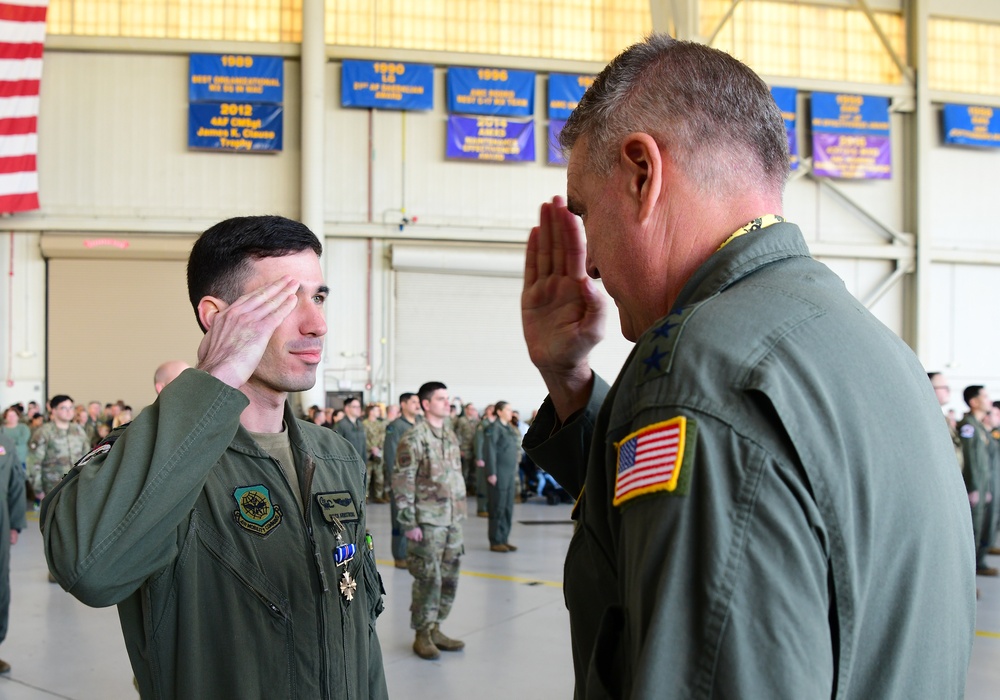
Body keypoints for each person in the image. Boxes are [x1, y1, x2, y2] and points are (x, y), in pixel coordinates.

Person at [521, 34, 975, 698]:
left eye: (589, 212)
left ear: (642, 174)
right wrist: (572, 384)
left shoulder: (695, 369)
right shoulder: (868, 347)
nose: (589, 262)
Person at [41, 215, 387, 699]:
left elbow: (359, 628)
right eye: (287, 298)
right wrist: (217, 374)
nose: (318, 324)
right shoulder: (156, 456)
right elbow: (90, 570)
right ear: (215, 315)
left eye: (320, 296)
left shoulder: (336, 455)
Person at [392, 381, 466, 660]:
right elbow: (402, 482)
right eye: (440, 399)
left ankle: (436, 627)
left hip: (452, 519)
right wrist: (409, 523)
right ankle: (422, 633)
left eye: (448, 398)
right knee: (428, 578)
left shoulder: (449, 435)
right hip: (427, 522)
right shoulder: (414, 438)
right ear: (425, 404)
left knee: (450, 577)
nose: (447, 403)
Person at [959, 385, 996, 577]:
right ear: (974, 402)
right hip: (973, 488)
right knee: (971, 532)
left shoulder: (978, 426)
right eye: (985, 396)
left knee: (979, 528)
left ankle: (973, 572)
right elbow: (969, 459)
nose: (988, 399)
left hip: (981, 487)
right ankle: (966, 577)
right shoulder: (968, 426)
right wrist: (973, 487)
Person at [383, 391, 420, 568]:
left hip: (420, 481)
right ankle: (400, 555)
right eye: (413, 402)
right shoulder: (395, 426)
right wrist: (394, 480)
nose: (417, 405)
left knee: (416, 518)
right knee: (400, 517)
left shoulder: (421, 423)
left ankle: (413, 552)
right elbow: (390, 454)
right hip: (402, 480)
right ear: (403, 404)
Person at [29, 395, 90, 501]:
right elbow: (34, 462)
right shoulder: (44, 432)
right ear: (53, 410)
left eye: (71, 407)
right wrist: (38, 490)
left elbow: (88, 457)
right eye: (63, 408)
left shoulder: (78, 431)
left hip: (77, 485)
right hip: (52, 487)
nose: (69, 411)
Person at [0, 433, 26, 674]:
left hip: (0, 523)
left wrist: (15, 523)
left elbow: (16, 482)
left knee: (0, 587)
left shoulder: (5, 442)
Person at [484, 401, 521, 552]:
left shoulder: (510, 428)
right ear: (499, 412)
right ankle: (495, 540)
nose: (510, 412)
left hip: (510, 473)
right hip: (498, 473)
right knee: (497, 507)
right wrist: (491, 472)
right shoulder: (494, 428)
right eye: (507, 409)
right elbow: (490, 451)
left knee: (507, 507)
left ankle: (504, 538)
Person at [363, 404, 387, 503]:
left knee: (379, 476)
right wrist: (371, 448)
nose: (379, 412)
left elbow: (383, 436)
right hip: (368, 453)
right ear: (371, 412)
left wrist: (378, 447)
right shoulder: (364, 423)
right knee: (366, 477)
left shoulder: (380, 424)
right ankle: (365, 496)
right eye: (377, 410)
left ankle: (378, 496)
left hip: (378, 452)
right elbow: (364, 438)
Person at [335, 396, 367, 463]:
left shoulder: (360, 424)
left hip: (360, 462)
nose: (358, 409)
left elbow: (363, 446)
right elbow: (336, 446)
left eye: (359, 407)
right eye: (355, 407)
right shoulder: (341, 425)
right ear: (347, 408)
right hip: (347, 463)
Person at [0, 407, 30, 473]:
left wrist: (7, 442)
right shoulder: (2, 429)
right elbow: (1, 445)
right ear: (5, 417)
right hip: (4, 461)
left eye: (14, 415)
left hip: (21, 460)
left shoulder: (23, 428)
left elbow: (22, 440)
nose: (12, 418)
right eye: (9, 416)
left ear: (18, 416)